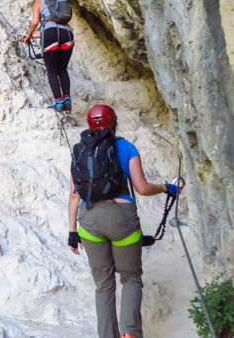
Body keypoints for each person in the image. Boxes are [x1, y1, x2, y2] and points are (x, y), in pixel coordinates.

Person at [67, 105, 179, 338]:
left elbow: (74, 194)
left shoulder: (79, 151)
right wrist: (166, 188)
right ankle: (129, 333)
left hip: (89, 221)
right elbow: (142, 187)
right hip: (121, 218)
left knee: (103, 286)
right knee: (131, 278)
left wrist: (72, 231)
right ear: (114, 123)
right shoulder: (127, 147)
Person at [21, 0, 74, 112]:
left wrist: (29, 34)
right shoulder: (60, 4)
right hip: (67, 34)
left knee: (52, 70)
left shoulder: (39, 3)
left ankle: (58, 103)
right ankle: (67, 100)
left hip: (51, 34)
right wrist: (32, 37)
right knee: (62, 70)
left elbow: (35, 23)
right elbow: (53, 28)